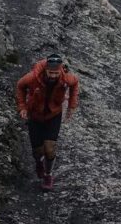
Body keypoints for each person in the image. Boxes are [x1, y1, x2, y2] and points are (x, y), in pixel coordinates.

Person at [15, 53, 79, 191]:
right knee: (38, 151)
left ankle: (48, 175)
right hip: (35, 116)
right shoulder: (32, 77)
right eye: (51, 72)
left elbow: (75, 84)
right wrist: (22, 107)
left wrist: (71, 106)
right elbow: (20, 86)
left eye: (56, 73)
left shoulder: (65, 77)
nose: (54, 76)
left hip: (53, 115)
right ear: (46, 70)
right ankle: (39, 163)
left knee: (50, 149)